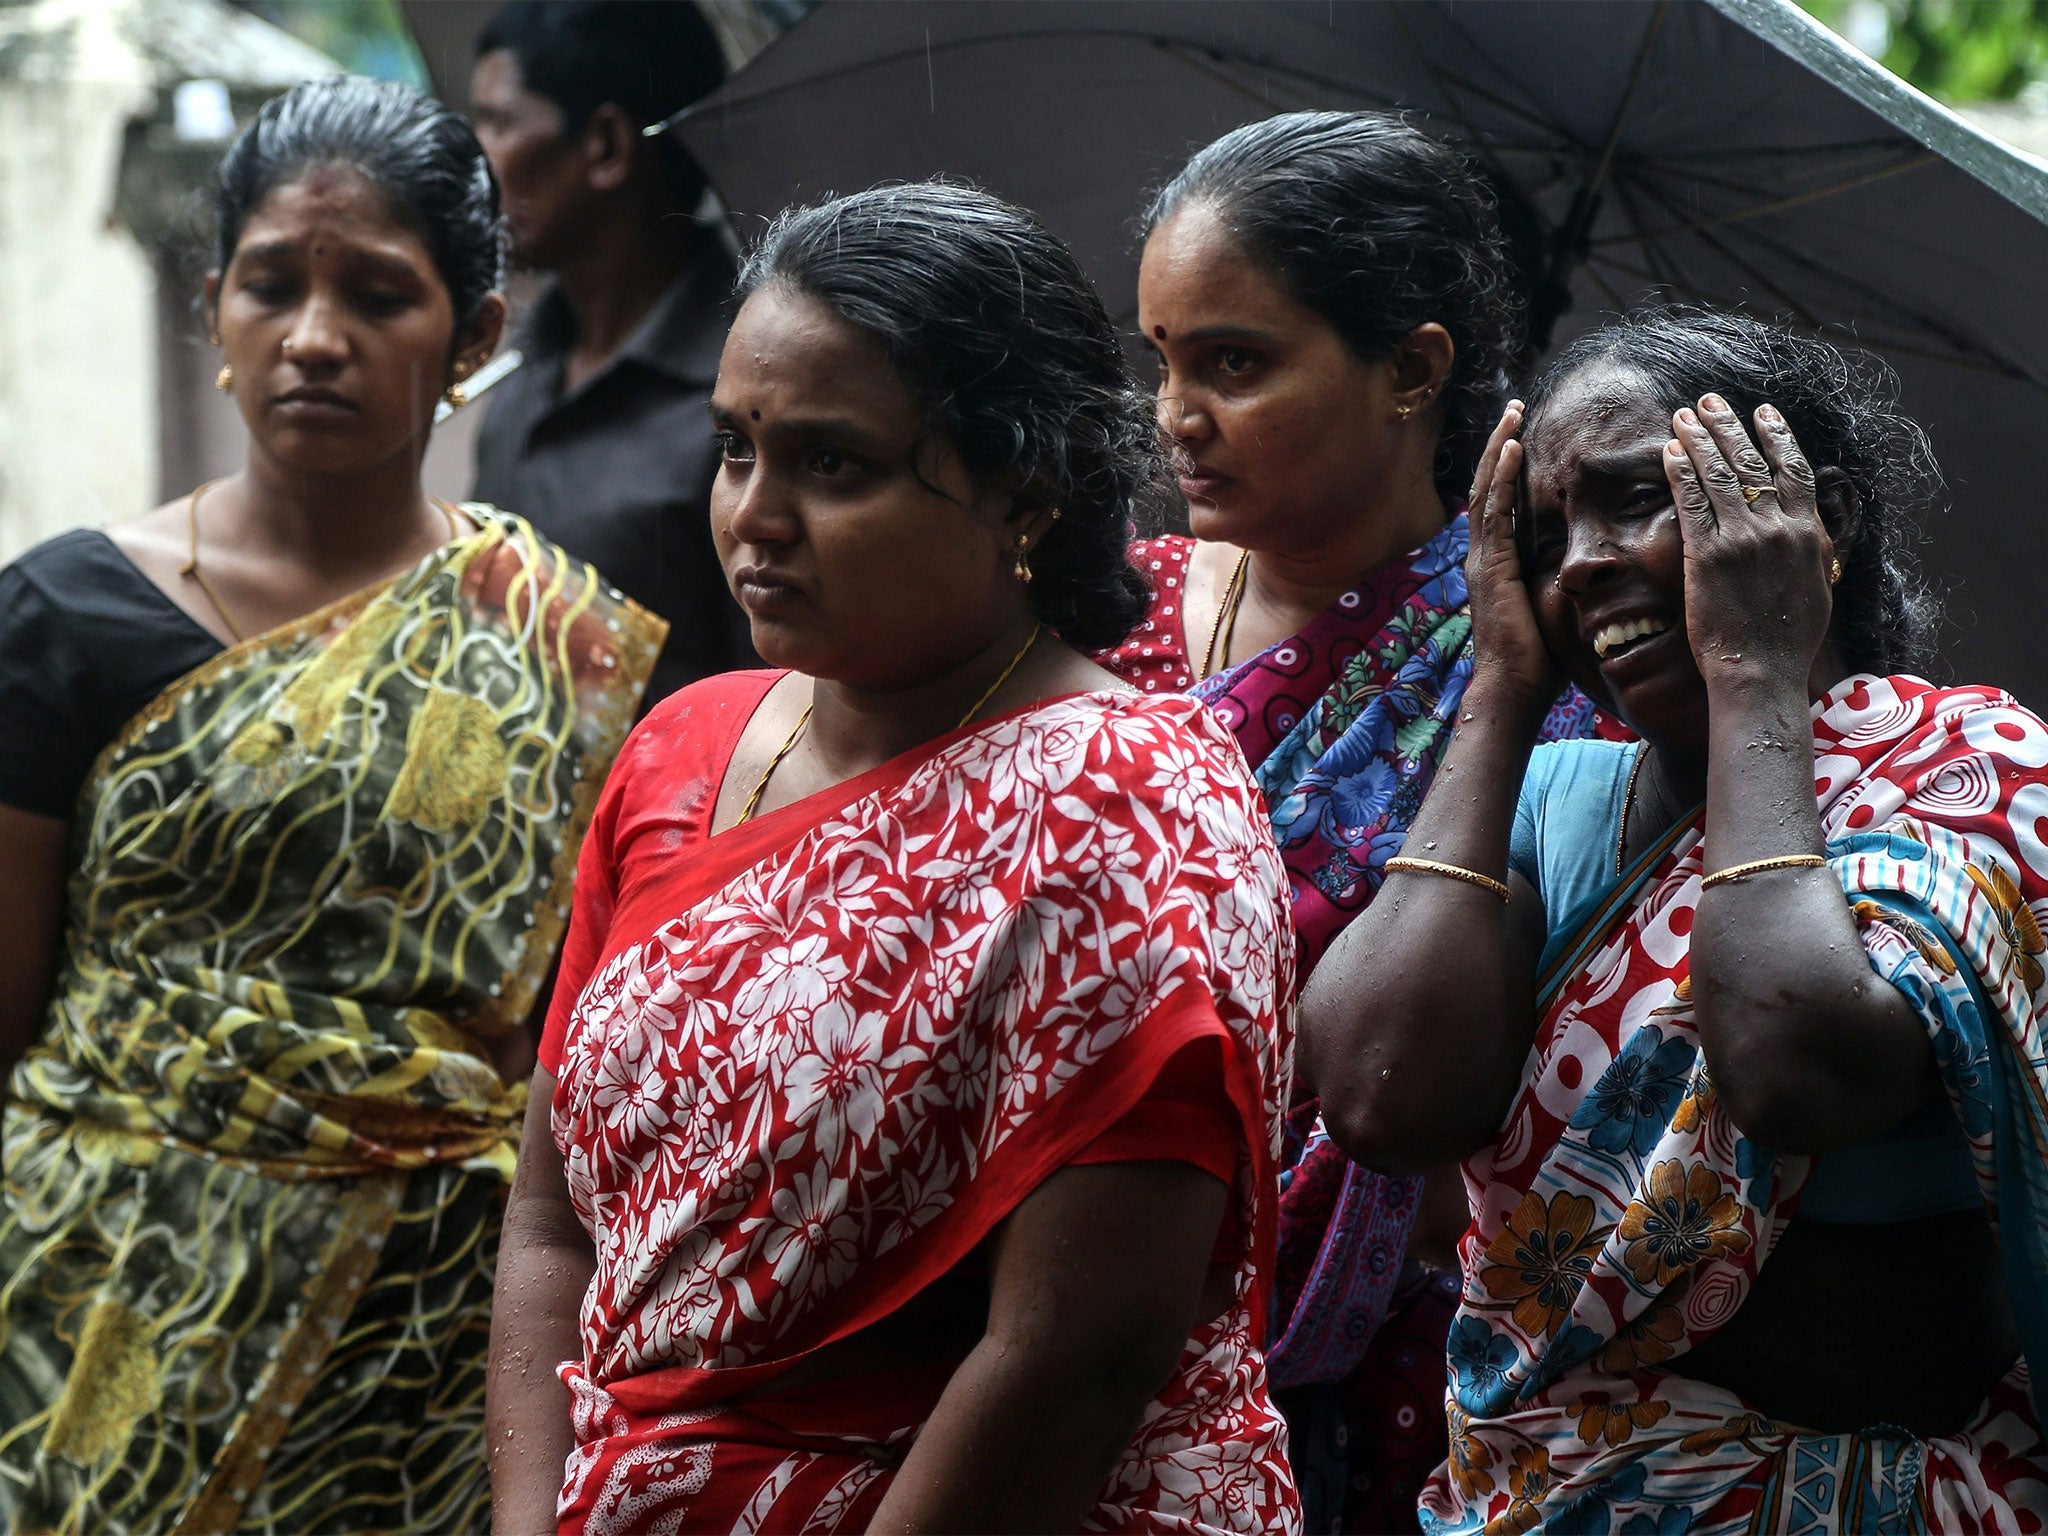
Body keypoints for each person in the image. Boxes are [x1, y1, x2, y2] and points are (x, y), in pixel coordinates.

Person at [487, 181, 1303, 1535]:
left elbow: (1073, 1363)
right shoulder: (680, 753)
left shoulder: (1128, 809)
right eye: (736, 448)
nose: (753, 516)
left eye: (833, 465)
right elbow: (549, 1226)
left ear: (1023, 496)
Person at [0, 77, 664, 1534]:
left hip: (418, 1346)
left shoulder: (561, 645)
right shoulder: (63, 617)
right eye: (269, 286)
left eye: (377, 294)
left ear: (473, 338)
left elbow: (566, 1036)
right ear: (216, 312)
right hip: (98, 1308)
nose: (314, 337)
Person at [1304, 307, 2048, 1530]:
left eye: (1636, 498)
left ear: (1821, 521)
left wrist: (1755, 676)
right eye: (1544, 540)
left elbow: (1794, 1068)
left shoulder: (1972, 767)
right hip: (1548, 1495)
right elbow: (1381, 1098)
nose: (1585, 562)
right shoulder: (1552, 804)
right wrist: (1499, 684)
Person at [1104, 109, 1609, 1533]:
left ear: (1413, 370)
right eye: (1163, 360)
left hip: (1382, 1385)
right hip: (1051, 1319)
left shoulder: (1538, 680)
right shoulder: (1113, 611)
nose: (1174, 416)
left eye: (1235, 364)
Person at [469, 0, 752, 702]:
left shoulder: (751, 402)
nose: (473, 162)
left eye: (499, 123)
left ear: (604, 146)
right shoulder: (522, 371)